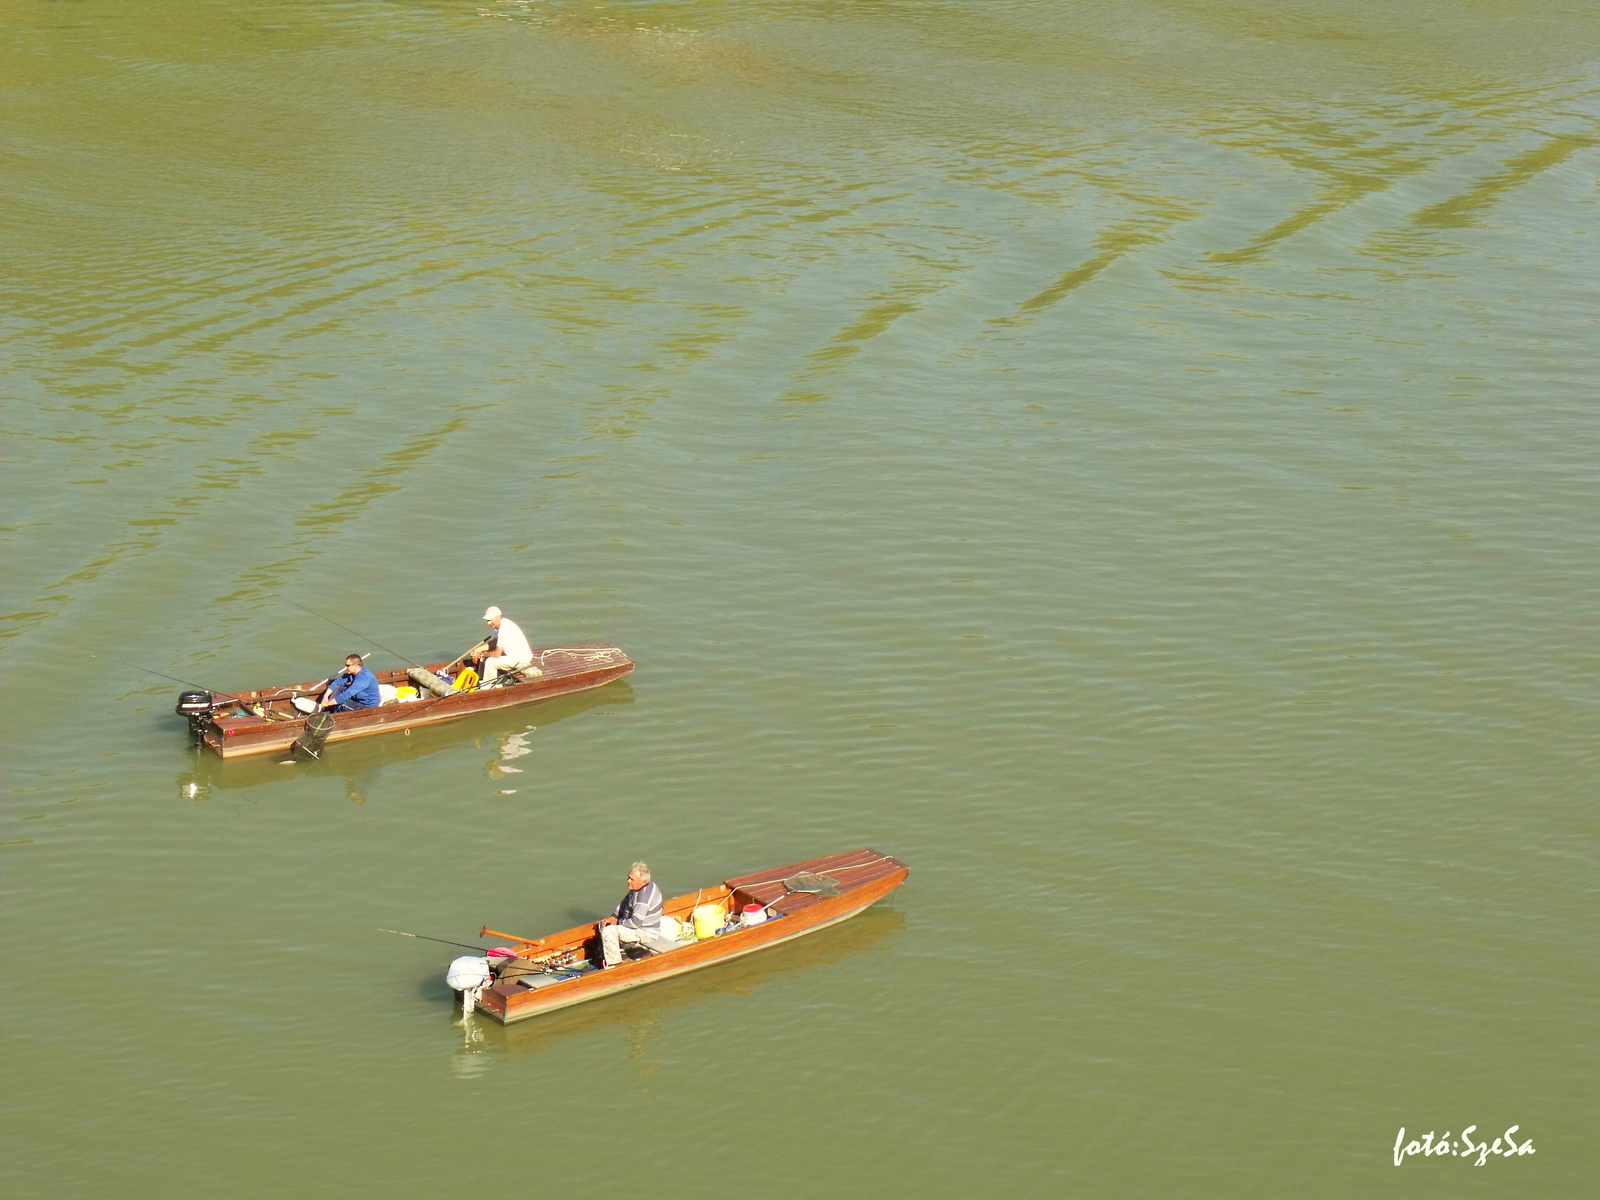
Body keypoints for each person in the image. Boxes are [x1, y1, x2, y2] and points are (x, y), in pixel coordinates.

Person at [597, 861, 665, 968]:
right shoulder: (637, 888)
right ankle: (613, 953)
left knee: (609, 931)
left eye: (632, 879)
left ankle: (615, 966)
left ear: (644, 881)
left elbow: (636, 922)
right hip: (637, 926)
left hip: (646, 933)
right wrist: (613, 916)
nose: (628, 881)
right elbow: (624, 902)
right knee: (603, 924)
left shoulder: (644, 898)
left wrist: (617, 922)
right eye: (628, 877)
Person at [476, 605, 538, 684]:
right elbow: (495, 642)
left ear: (498, 617)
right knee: (488, 656)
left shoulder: (504, 628)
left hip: (521, 659)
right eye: (487, 621)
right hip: (515, 656)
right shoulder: (500, 625)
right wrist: (479, 649)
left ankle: (487, 686)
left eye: (490, 620)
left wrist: (482, 655)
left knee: (490, 662)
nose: (488, 623)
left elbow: (497, 654)